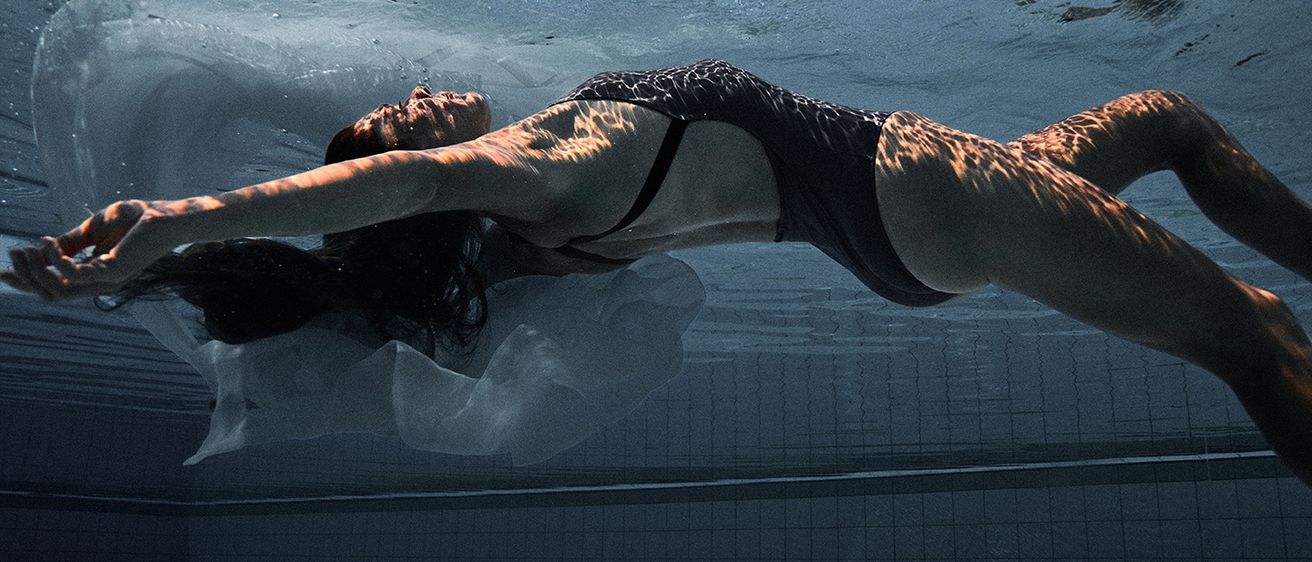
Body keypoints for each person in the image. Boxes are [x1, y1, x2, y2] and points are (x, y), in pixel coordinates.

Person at [4, 58, 1310, 483]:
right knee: (1247, 334)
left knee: (1163, 120)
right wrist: (177, 224)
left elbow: (383, 231)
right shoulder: (518, 171)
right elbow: (381, 192)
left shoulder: (534, 243)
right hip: (930, 194)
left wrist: (214, 256)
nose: (412, 96)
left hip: (923, 219)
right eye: (402, 115)